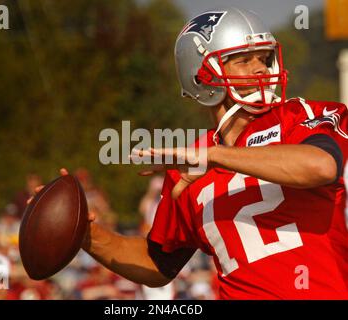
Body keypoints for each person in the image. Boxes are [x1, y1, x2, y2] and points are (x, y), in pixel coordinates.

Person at [31, 7, 348, 299]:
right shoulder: (191, 160)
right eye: (243, 60)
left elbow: (319, 166)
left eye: (264, 58)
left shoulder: (300, 115)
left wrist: (216, 156)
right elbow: (157, 263)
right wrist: (84, 234)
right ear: (201, 76)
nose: (261, 69)